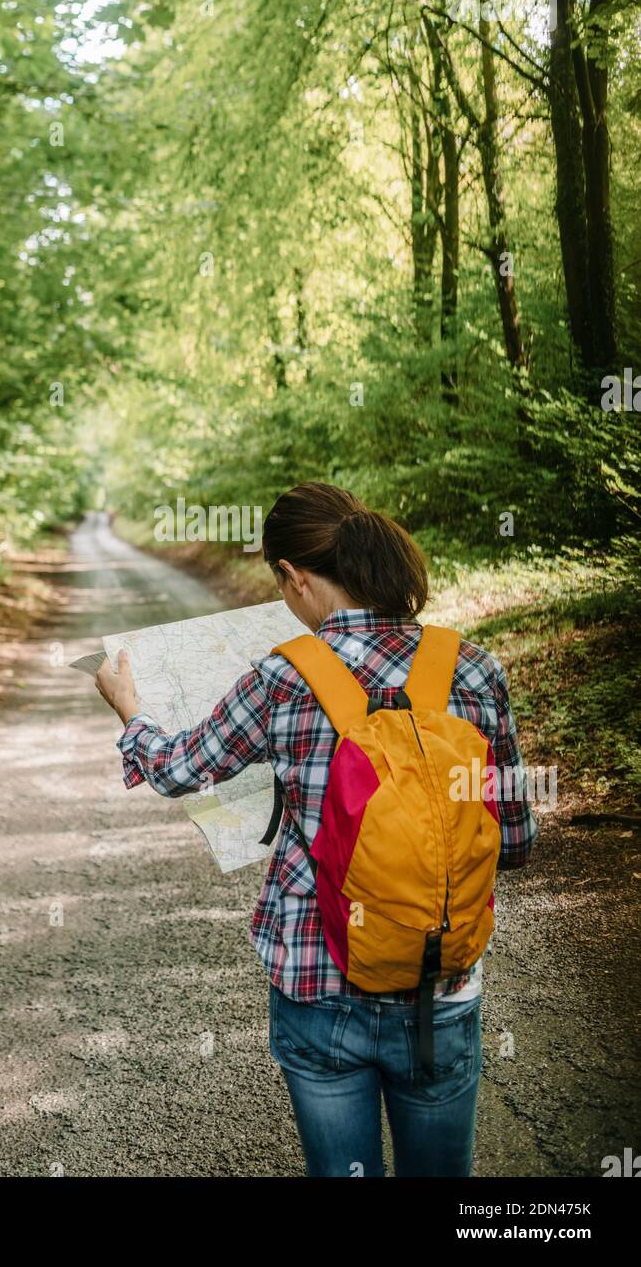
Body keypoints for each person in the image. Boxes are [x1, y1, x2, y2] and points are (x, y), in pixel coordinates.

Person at [95, 481, 538, 1177]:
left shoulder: (283, 676)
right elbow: (513, 841)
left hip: (316, 977)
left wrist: (131, 713)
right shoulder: (473, 669)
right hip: (437, 981)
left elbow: (180, 768)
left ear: (294, 577)